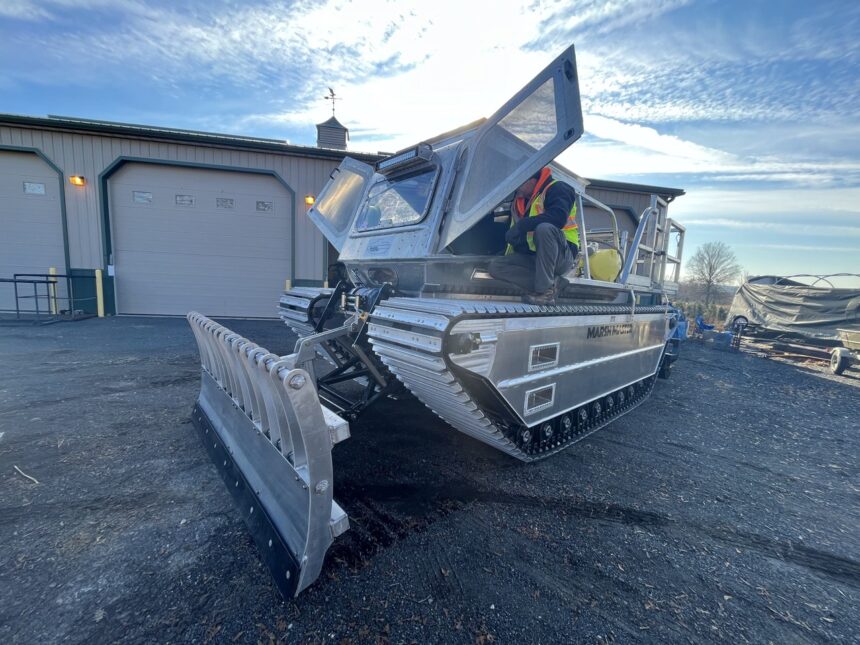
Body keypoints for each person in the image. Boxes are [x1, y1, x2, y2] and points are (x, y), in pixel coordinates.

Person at [488, 167, 579, 305]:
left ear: (531, 181)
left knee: (545, 228)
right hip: (536, 259)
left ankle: (545, 293)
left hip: (561, 257)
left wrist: (522, 225)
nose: (516, 188)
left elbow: (558, 218)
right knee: (496, 267)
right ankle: (554, 284)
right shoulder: (520, 202)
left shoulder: (558, 188)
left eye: (519, 183)